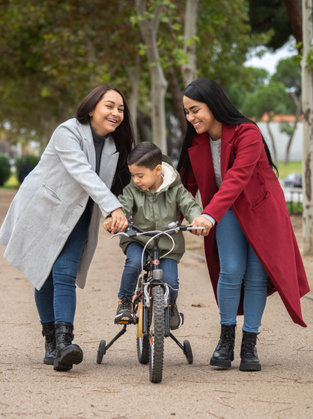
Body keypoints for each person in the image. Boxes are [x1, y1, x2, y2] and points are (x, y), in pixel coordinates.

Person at [0, 85, 134, 371]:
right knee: (43, 274)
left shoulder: (113, 147)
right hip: (44, 210)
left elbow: (120, 185)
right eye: (109, 106)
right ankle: (51, 341)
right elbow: (81, 171)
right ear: (91, 108)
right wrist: (112, 207)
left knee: (64, 273)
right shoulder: (67, 131)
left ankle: (63, 344)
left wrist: (120, 212)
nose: (116, 113)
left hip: (80, 216)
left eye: (121, 108)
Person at [177, 77, 309, 371]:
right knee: (231, 269)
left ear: (213, 104)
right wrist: (169, 224)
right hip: (225, 211)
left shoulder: (247, 132)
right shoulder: (195, 141)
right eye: (186, 112)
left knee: (255, 276)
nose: (191, 117)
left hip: (260, 211)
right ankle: (226, 340)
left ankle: (250, 344)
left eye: (195, 109)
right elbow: (185, 186)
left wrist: (209, 215)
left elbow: (237, 177)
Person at [104, 141, 202, 329]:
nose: (136, 180)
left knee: (171, 281)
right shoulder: (132, 190)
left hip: (167, 243)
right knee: (134, 263)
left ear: (157, 170)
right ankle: (124, 301)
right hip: (138, 238)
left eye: (140, 175)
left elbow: (189, 204)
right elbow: (122, 206)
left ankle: (170, 305)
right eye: (133, 176)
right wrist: (114, 219)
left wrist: (198, 220)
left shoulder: (175, 189)